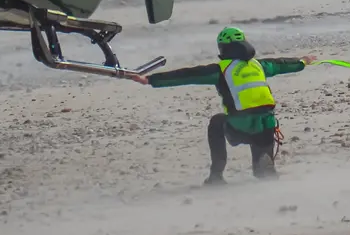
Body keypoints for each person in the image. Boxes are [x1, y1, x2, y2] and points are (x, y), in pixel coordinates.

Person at [128, 26, 315, 185]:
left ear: (223, 48)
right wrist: (302, 62)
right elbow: (282, 64)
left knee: (217, 122)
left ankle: (216, 175)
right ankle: (265, 166)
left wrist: (150, 79)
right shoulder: (260, 65)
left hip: (239, 125)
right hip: (266, 125)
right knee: (262, 166)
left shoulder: (221, 70)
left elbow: (187, 75)